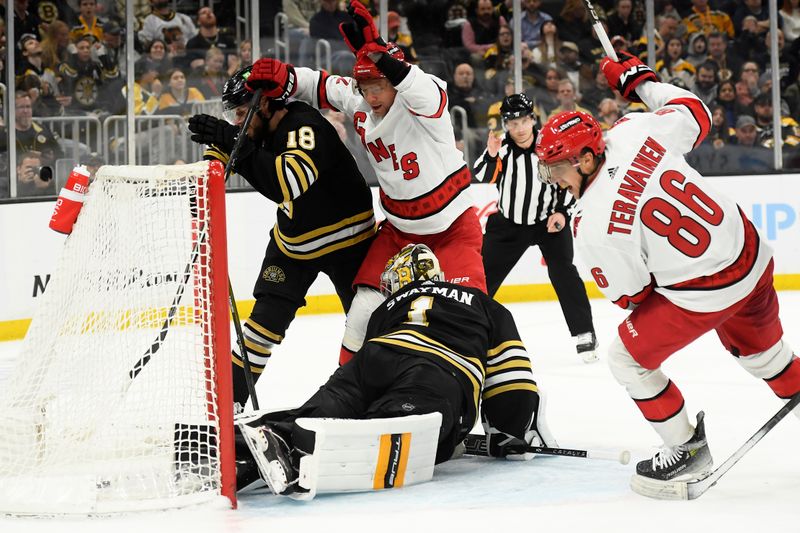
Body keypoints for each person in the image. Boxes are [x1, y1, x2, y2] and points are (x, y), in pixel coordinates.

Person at [535, 52, 800, 494]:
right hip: (751, 256)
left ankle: (685, 449)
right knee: (765, 357)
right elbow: (697, 114)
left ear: (584, 160)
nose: (553, 178)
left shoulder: (593, 225)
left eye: (557, 168)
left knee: (626, 357)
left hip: (706, 290)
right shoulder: (633, 129)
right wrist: (641, 84)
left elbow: (633, 298)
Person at [244, 0, 486, 366]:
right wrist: (284, 76)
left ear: (395, 80)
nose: (371, 96)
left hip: (452, 230)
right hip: (398, 232)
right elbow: (320, 85)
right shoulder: (361, 101)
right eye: (365, 87)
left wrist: (383, 57)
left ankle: (487, 399)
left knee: (471, 318)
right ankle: (349, 393)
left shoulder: (421, 104)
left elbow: (426, 90)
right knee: (361, 314)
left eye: (379, 86)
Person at [235, 244, 555, 496]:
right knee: (389, 426)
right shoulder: (483, 303)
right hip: (436, 371)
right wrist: (507, 433)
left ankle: (267, 436)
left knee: (329, 408)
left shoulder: (386, 307)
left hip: (374, 358)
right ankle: (321, 447)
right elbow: (512, 382)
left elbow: (365, 375)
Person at [187, 66, 376, 408]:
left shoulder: (305, 126)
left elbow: (287, 183)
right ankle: (226, 404)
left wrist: (232, 142)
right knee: (261, 327)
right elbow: (227, 154)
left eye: (243, 112)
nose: (238, 121)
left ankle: (370, 396)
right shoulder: (256, 130)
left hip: (349, 242)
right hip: (294, 244)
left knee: (367, 326)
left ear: (267, 104)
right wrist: (206, 173)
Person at [474, 94, 598, 363]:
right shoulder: (502, 147)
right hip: (509, 224)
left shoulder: (549, 143)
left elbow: (569, 176)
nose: (519, 128)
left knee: (564, 272)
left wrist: (563, 212)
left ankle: (584, 333)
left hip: (548, 222)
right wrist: (492, 154)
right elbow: (481, 176)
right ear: (505, 124)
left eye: (523, 121)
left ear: (532, 119)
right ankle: (471, 333)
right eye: (512, 123)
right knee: (480, 278)